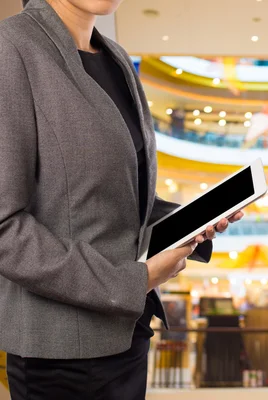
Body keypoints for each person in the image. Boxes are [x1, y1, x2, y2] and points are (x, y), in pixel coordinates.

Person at [0, 0, 243, 398]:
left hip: (127, 338)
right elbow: (5, 229)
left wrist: (193, 219)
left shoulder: (115, 57)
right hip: (60, 356)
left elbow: (123, 199)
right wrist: (133, 281)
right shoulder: (12, 47)